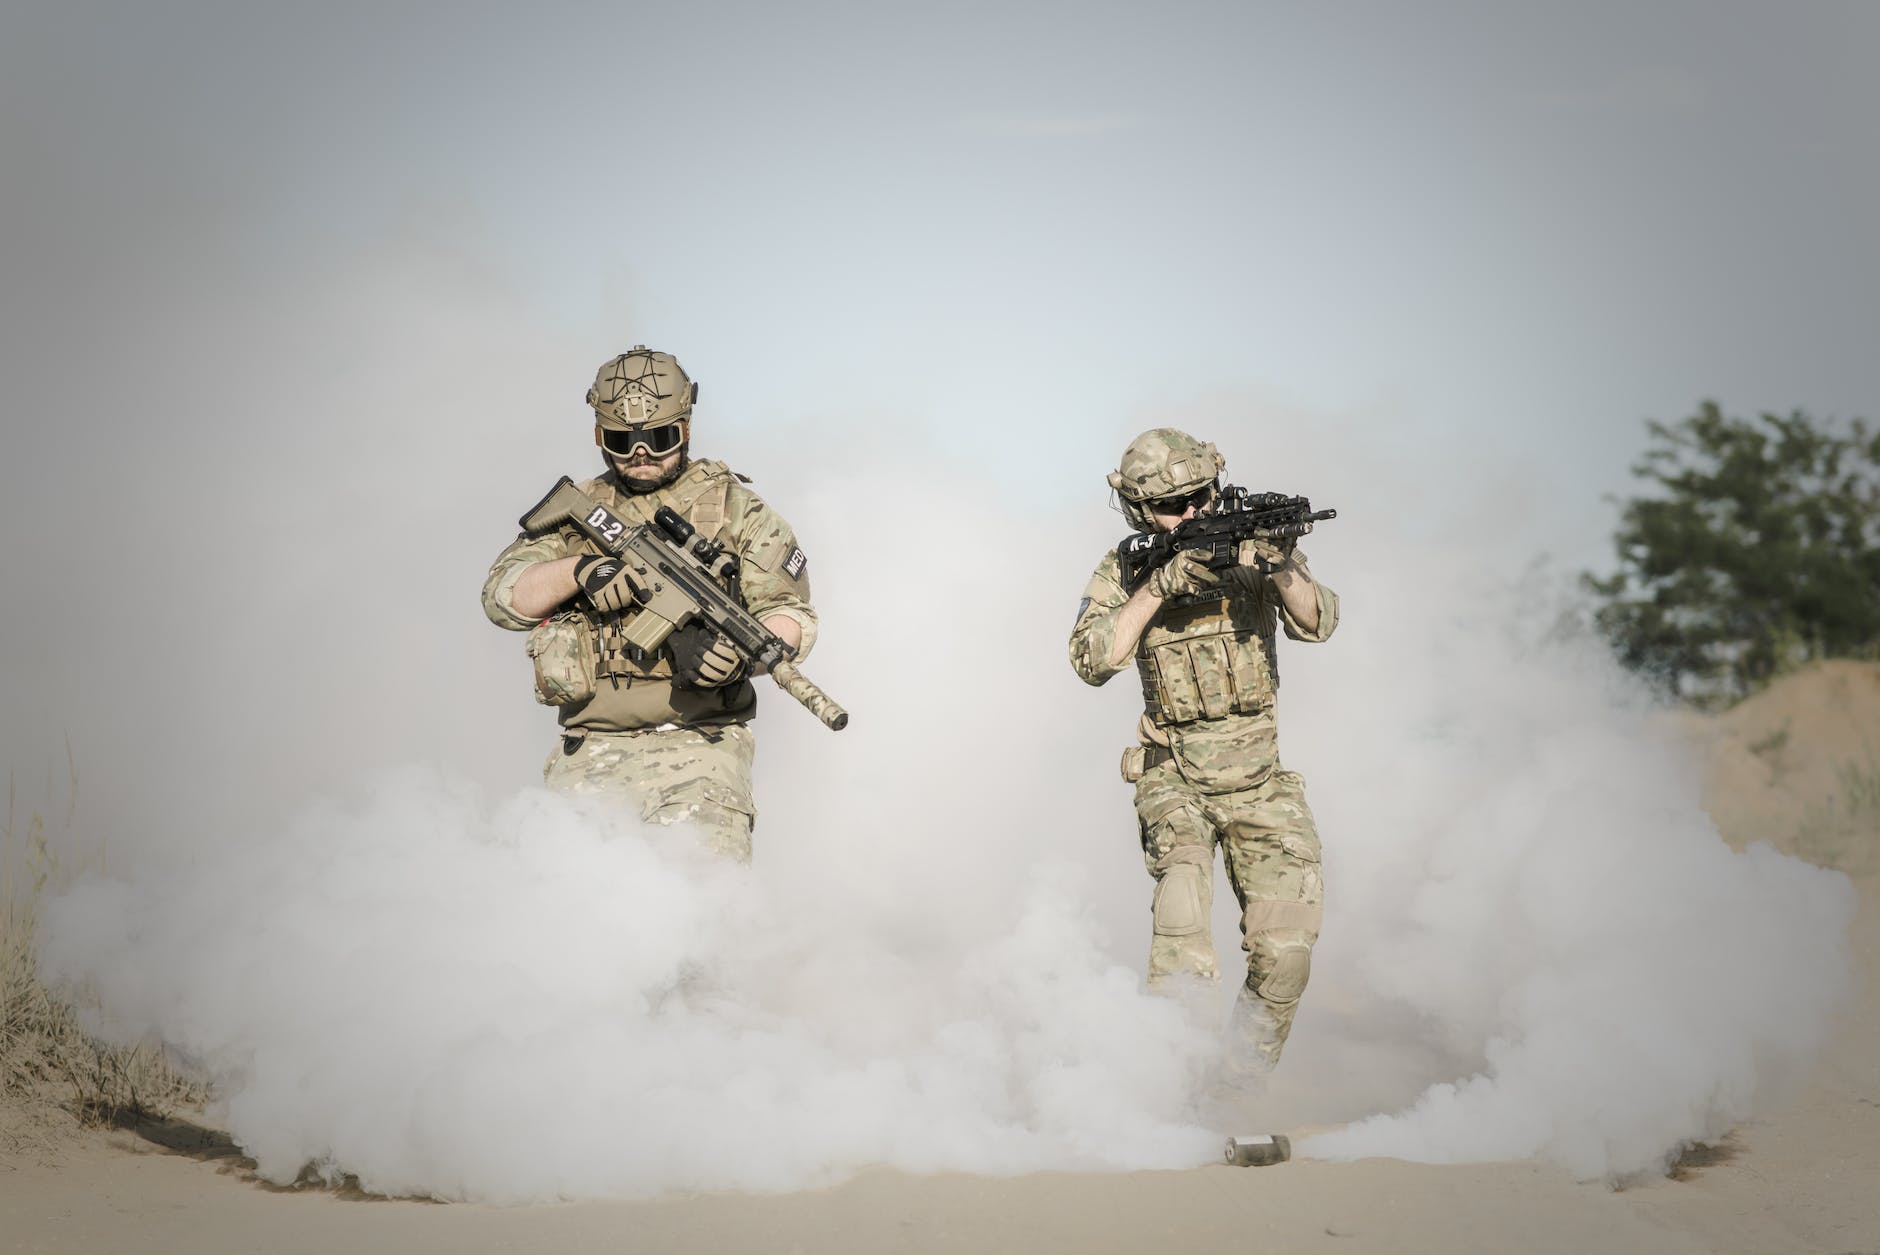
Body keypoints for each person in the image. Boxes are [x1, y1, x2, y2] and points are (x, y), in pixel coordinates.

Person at [1067, 428, 1339, 1076]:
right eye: (1171, 505)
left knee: (1286, 951)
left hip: (1261, 778)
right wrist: (1160, 584)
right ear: (1138, 509)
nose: (1190, 513)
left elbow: (1317, 620)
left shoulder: (1254, 546)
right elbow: (1091, 659)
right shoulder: (1125, 567)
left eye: (1200, 497)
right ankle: (1171, 1090)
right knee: (1183, 927)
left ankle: (1234, 1090)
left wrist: (1277, 564)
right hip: (1176, 775)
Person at [482, 346, 817, 862]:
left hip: (699, 755)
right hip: (588, 753)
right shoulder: (581, 513)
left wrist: (739, 659)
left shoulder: (735, 509)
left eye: (660, 439)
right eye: (622, 441)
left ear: (685, 426)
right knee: (568, 924)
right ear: (599, 436)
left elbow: (789, 615)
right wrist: (581, 570)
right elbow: (504, 596)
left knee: (703, 921)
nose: (641, 454)